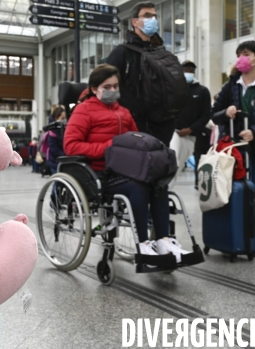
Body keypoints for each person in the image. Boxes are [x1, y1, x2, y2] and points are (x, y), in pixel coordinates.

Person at [63, 64, 185, 260]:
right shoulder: (83, 111)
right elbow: (71, 146)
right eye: (107, 87)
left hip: (126, 168)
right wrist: (107, 148)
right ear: (95, 89)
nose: (113, 91)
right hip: (99, 173)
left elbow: (135, 140)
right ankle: (143, 245)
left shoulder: (124, 112)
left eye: (116, 86)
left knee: (158, 183)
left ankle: (163, 241)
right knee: (138, 187)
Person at [211, 40, 255, 257]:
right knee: (228, 192)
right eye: (239, 53)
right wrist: (226, 113)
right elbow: (214, 113)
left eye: (246, 53)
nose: (241, 57)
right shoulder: (231, 85)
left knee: (251, 194)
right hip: (230, 151)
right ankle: (228, 238)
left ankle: (251, 241)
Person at [105, 2, 176, 146]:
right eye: (147, 16)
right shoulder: (122, 53)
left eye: (155, 16)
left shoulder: (163, 54)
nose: (153, 20)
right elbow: (105, 85)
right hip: (133, 125)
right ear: (134, 22)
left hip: (161, 126)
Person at [170, 60, 211, 186]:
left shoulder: (202, 91)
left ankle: (167, 189)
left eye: (191, 70)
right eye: (186, 69)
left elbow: (206, 115)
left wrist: (191, 129)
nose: (188, 72)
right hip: (174, 132)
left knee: (181, 163)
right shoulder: (173, 89)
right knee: (173, 160)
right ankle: (165, 190)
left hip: (192, 135)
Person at [46, 106, 66, 175]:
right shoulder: (52, 131)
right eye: (62, 118)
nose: (64, 120)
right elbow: (53, 148)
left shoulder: (65, 128)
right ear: (56, 118)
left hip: (64, 159)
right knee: (57, 182)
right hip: (55, 160)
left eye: (65, 118)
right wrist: (64, 154)